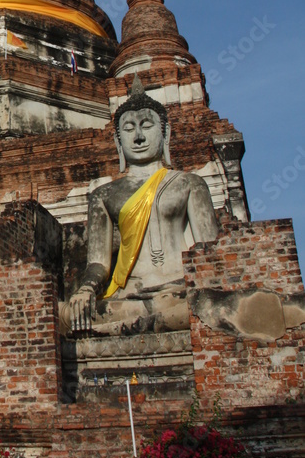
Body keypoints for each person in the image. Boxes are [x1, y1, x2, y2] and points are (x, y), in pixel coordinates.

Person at [61, 77, 219, 336]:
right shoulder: (104, 194)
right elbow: (99, 264)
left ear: (165, 133)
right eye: (129, 129)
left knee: (213, 307)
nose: (138, 137)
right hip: (128, 298)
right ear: (117, 141)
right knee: (59, 317)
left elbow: (210, 254)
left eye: (147, 125)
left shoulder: (189, 183)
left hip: (180, 292)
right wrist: (86, 288)